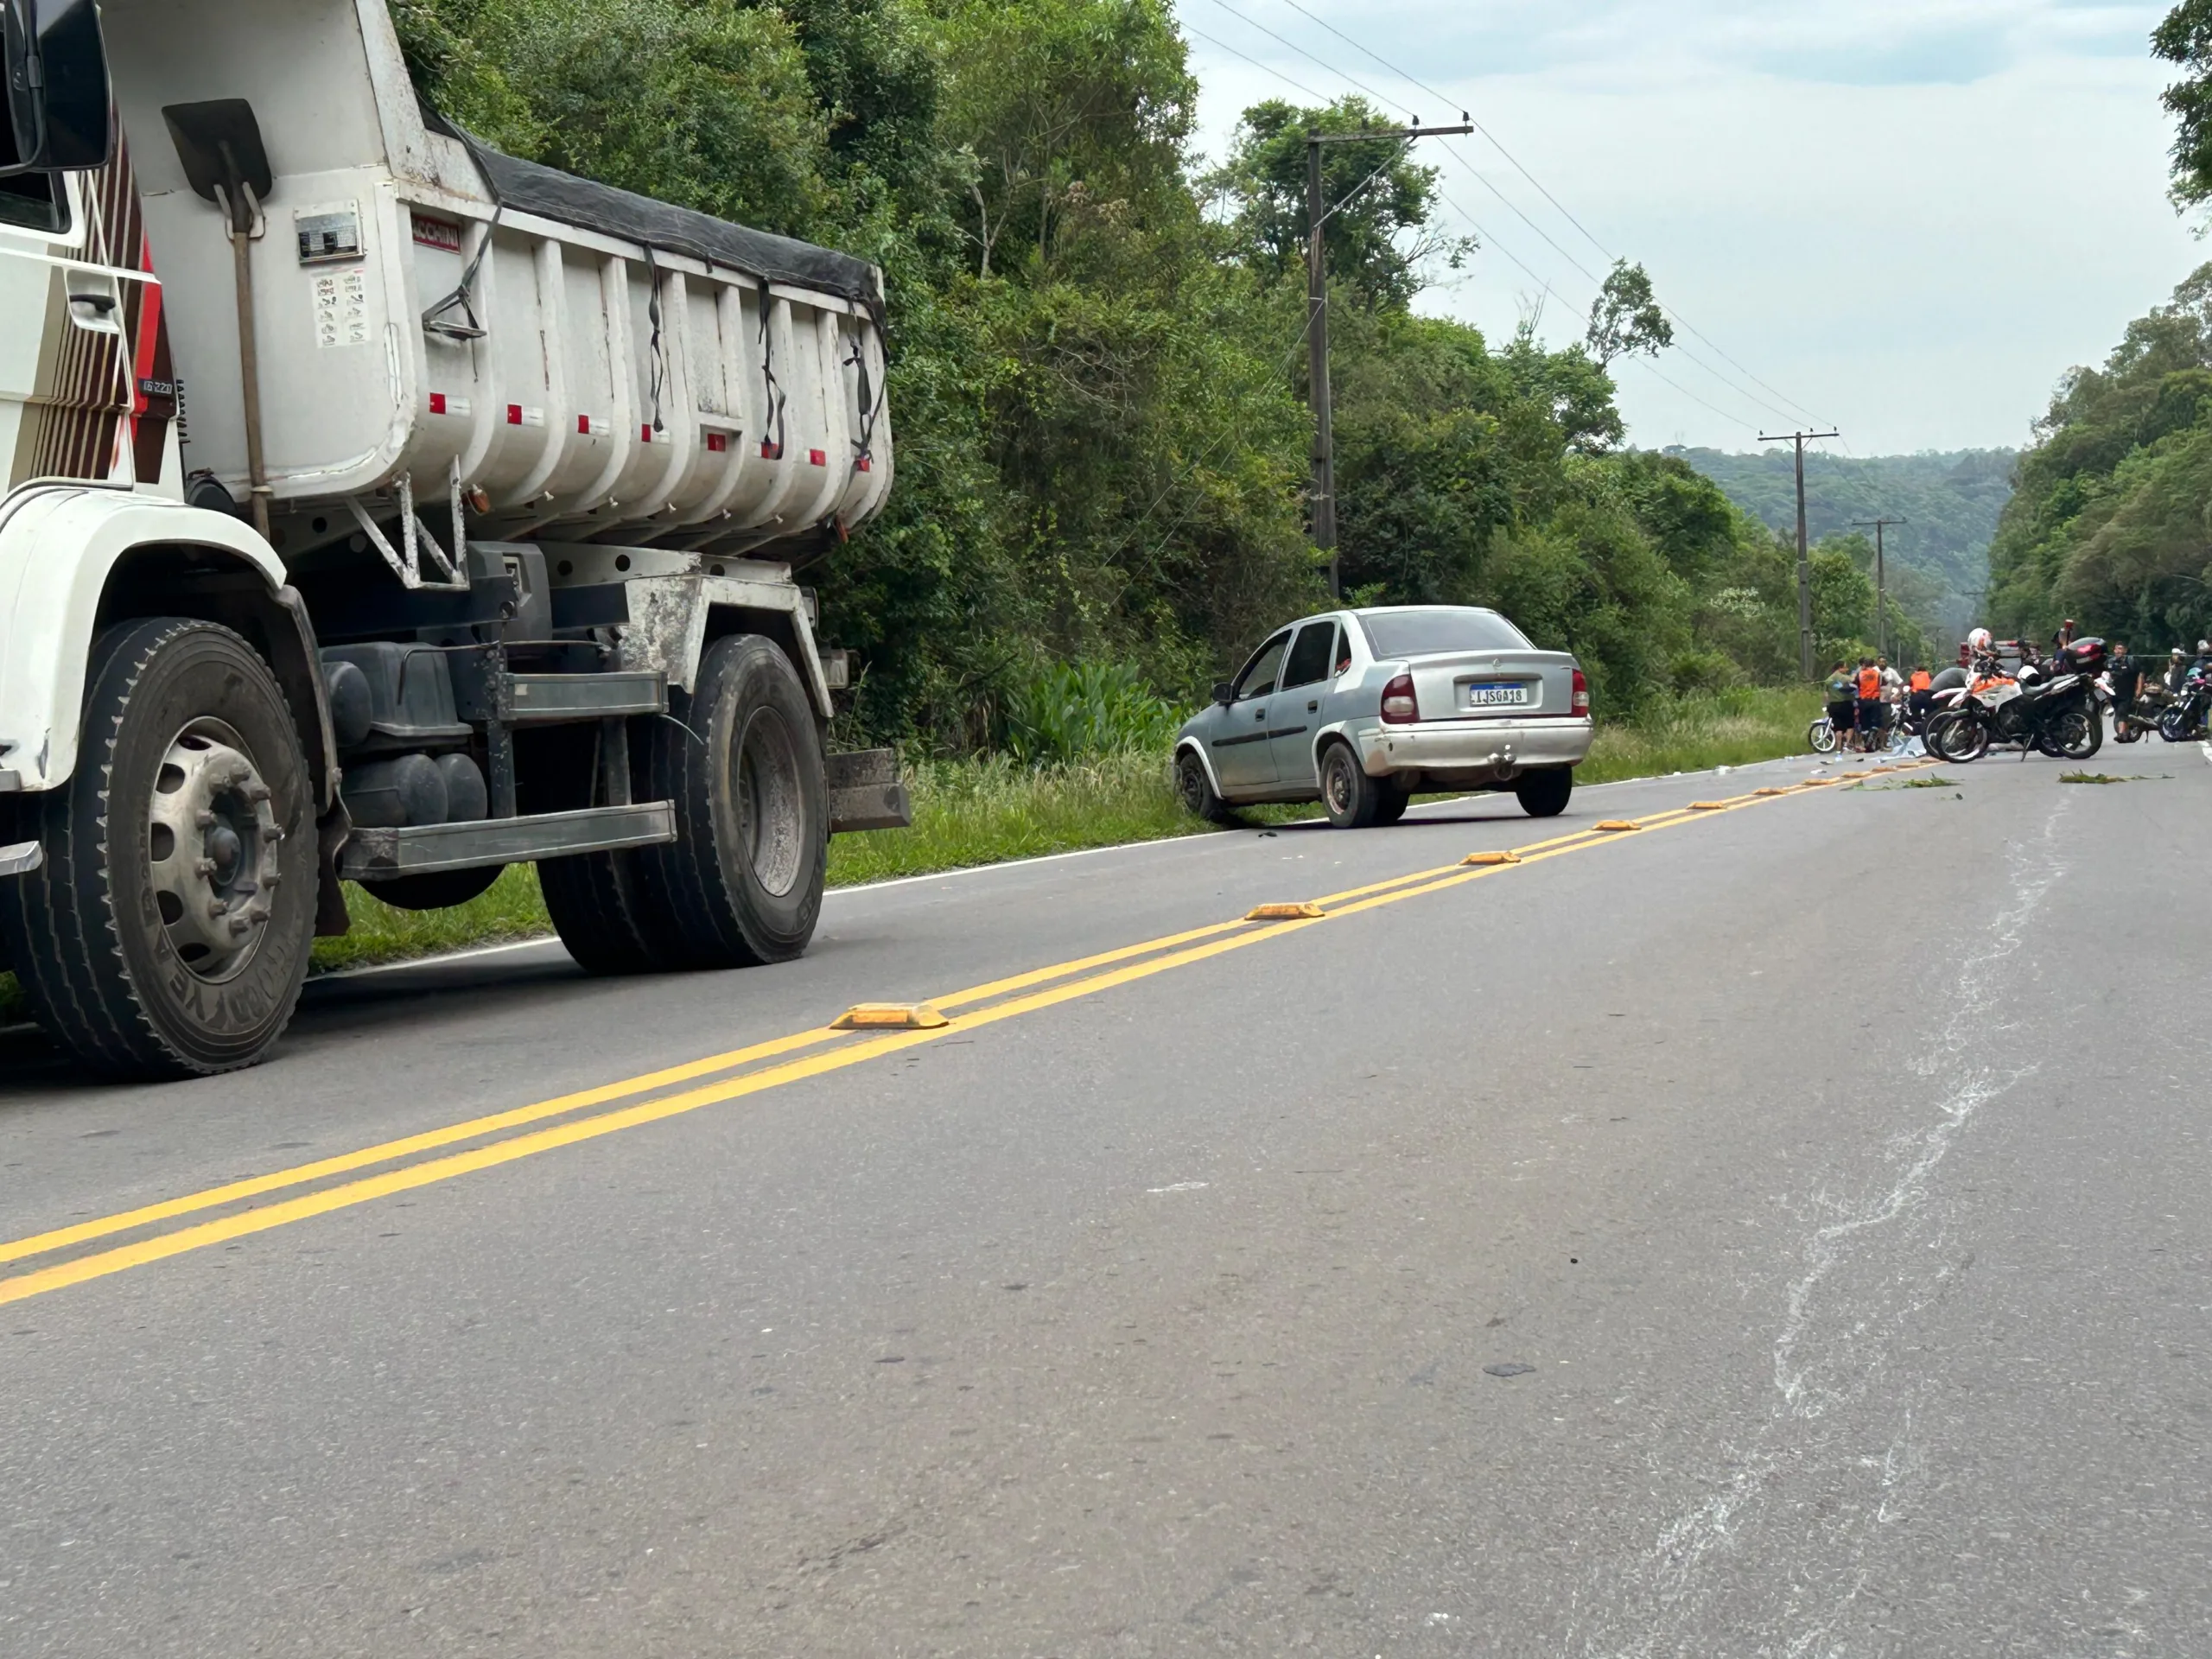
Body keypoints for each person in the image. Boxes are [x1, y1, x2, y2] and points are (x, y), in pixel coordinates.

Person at [1823, 660, 1856, 752]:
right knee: (1850, 725)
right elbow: (1852, 681)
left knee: (1838, 728)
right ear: (1840, 668)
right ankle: (1847, 744)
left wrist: (1826, 705)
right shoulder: (1844, 678)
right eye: (1845, 667)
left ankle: (1838, 747)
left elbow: (1826, 695)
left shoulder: (1828, 679)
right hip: (1845, 704)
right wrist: (1854, 675)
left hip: (1833, 705)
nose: (1847, 669)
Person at [1854, 657, 1885, 752]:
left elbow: (1856, 685)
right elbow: (1884, 683)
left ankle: (1866, 743)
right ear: (1873, 665)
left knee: (1864, 724)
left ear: (1864, 665)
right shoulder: (1878, 674)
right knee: (1875, 723)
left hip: (1863, 700)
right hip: (1875, 700)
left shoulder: (1859, 674)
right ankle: (1871, 743)